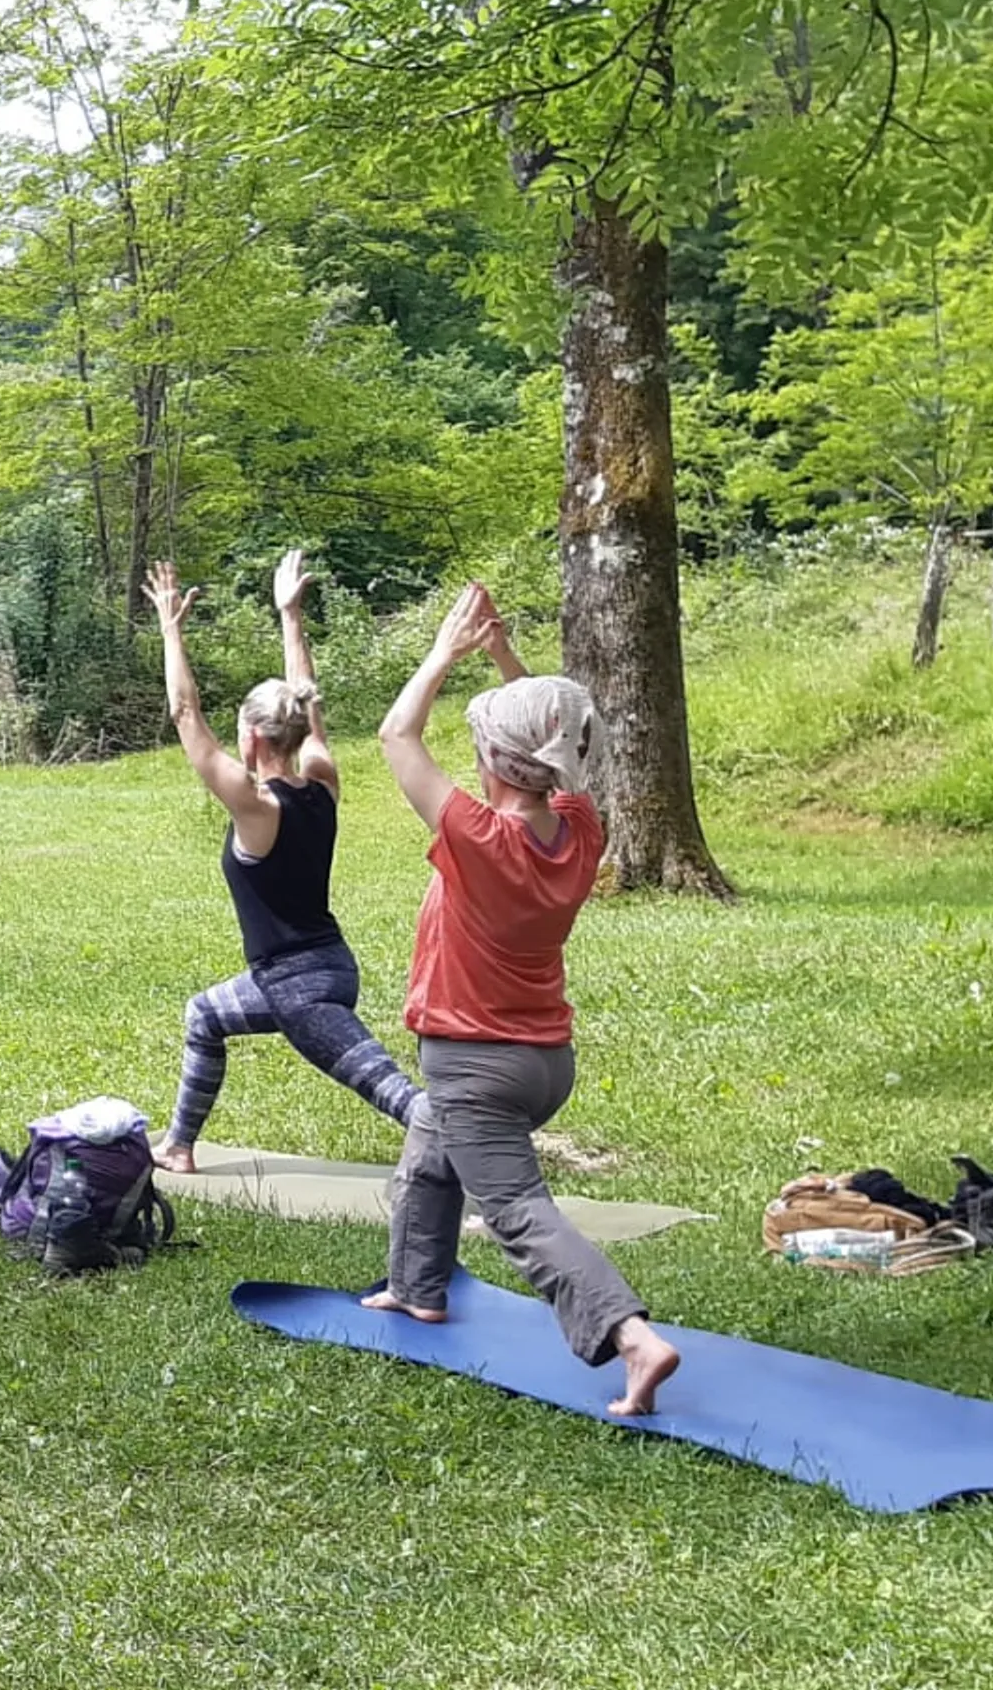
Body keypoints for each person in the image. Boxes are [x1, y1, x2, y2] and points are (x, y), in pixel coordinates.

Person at [365, 582, 679, 1415]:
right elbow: (555, 737)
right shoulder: (579, 828)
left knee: (514, 1209)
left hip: (478, 1065)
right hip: (544, 1061)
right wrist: (505, 658)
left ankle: (631, 1338)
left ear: (493, 760)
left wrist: (444, 652)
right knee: (432, 1138)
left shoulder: (475, 835)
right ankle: (415, 1285)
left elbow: (397, 734)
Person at [141, 554, 425, 1174]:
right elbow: (308, 700)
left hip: (300, 993)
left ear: (251, 738)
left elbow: (186, 716)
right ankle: (179, 1146)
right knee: (204, 1016)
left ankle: (491, 1186)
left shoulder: (255, 808)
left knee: (405, 1102)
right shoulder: (321, 779)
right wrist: (290, 615)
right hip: (321, 967)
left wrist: (170, 627)